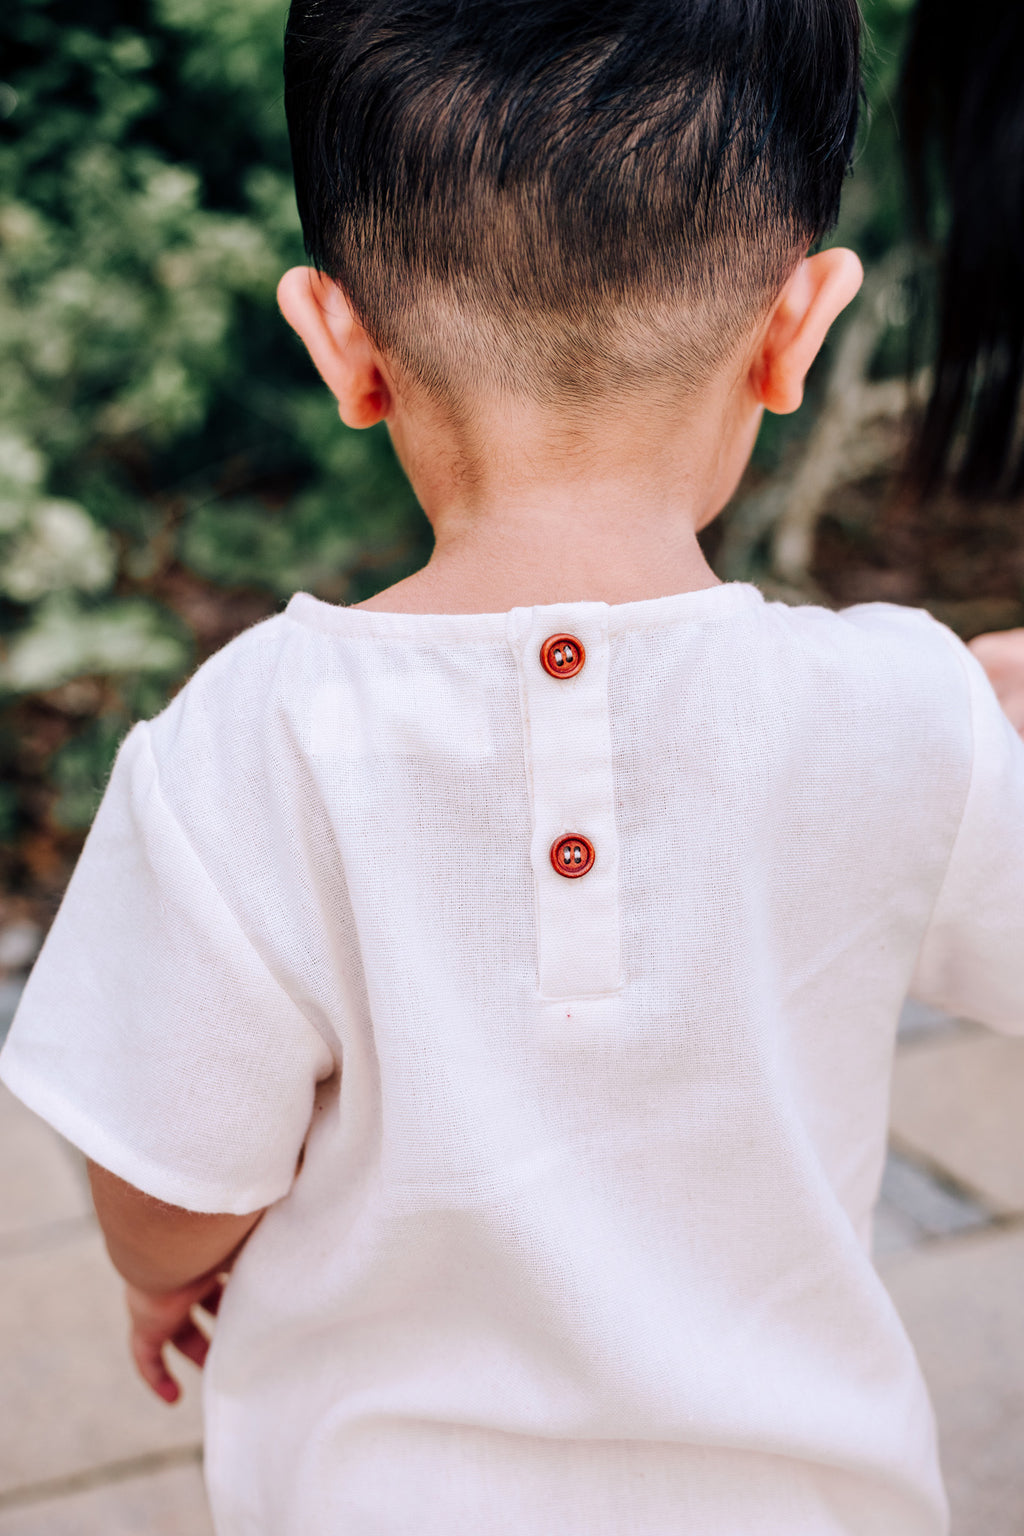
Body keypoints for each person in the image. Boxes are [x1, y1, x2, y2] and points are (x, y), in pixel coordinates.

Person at [2, 1, 1023, 1532]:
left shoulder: (245, 741)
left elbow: (172, 1179)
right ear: (796, 329)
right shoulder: (898, 713)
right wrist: (964, 699)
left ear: (341, 344)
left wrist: (168, 1281)